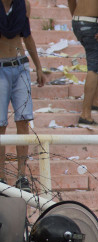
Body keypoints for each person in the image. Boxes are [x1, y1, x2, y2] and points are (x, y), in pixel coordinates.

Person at [0, 0, 45, 191]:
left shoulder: (23, 4)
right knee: (0, 124)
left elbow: (27, 37)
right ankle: (1, 175)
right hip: (1, 67)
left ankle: (21, 175)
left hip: (20, 66)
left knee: (23, 120)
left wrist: (39, 67)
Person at [68, 0, 98, 126]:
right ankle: (86, 114)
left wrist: (76, 18)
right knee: (94, 67)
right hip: (92, 23)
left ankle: (95, 101)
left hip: (78, 21)